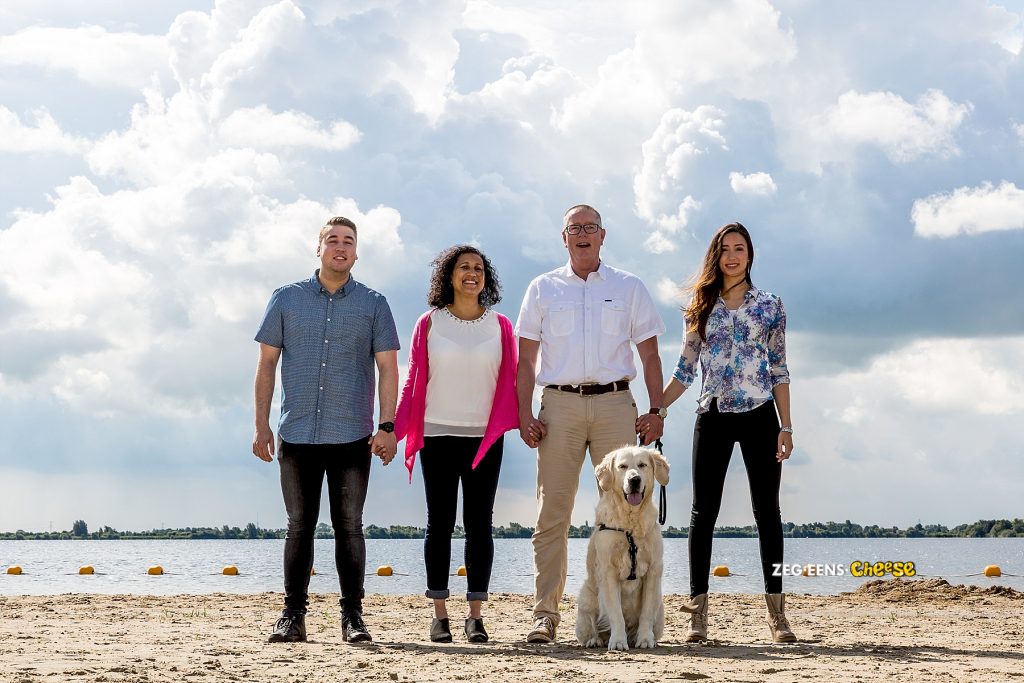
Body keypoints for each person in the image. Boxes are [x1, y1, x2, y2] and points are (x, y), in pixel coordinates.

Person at [515, 204, 667, 644]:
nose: (582, 234)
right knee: (553, 513)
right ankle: (545, 614)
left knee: (630, 513)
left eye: (590, 228)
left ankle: (633, 615)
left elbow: (650, 354)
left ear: (603, 235)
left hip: (616, 403)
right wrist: (523, 413)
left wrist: (655, 410)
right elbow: (526, 359)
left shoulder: (629, 286)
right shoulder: (542, 288)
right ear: (564, 238)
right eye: (574, 228)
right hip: (558, 407)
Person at [252, 216, 400, 644]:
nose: (340, 247)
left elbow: (388, 368)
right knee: (298, 525)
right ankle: (292, 617)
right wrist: (261, 425)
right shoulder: (286, 298)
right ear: (318, 249)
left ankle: (352, 618)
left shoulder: (375, 304)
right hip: (296, 434)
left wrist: (387, 426)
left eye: (348, 241)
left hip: (352, 433)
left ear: (356, 252)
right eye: (332, 240)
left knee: (350, 526)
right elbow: (266, 365)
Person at [662, 221, 797, 644]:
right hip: (714, 414)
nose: (733, 256)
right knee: (703, 514)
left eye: (740, 248)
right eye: (725, 250)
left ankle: (777, 615)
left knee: (768, 515)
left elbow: (779, 368)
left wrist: (786, 426)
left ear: (750, 255)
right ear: (715, 257)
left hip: (760, 416)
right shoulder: (699, 308)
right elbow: (685, 370)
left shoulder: (770, 306)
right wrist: (656, 408)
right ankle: (697, 615)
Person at [394, 245, 518, 644]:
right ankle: (441, 614)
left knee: (480, 525)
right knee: (440, 524)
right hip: (436, 434)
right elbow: (413, 380)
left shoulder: (501, 326)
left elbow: (513, 380)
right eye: (463, 267)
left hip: (484, 438)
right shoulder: (428, 323)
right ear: (448, 275)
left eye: (478, 268)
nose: (471, 273)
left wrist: (529, 420)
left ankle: (476, 616)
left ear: (487, 277)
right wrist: (392, 431)